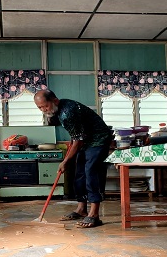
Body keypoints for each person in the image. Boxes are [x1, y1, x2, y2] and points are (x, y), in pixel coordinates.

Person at [34, 90, 113, 228]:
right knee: (80, 174)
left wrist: (65, 161)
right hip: (86, 141)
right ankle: (81, 209)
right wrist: (69, 155)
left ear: (55, 101)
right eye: (40, 107)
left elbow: (78, 140)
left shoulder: (67, 112)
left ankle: (94, 214)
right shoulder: (58, 111)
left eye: (45, 106)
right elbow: (75, 135)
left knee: (91, 172)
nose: (43, 110)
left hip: (99, 139)